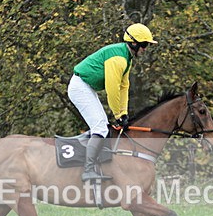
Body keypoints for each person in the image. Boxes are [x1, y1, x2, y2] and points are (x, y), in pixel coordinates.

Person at [67, 23, 157, 181]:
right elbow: (113, 89)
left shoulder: (126, 57)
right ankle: (88, 170)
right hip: (80, 87)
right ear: (133, 43)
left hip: (86, 87)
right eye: (144, 44)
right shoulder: (118, 59)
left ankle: (94, 163)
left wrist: (123, 113)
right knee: (100, 128)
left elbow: (124, 87)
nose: (145, 49)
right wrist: (117, 115)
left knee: (103, 126)